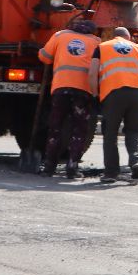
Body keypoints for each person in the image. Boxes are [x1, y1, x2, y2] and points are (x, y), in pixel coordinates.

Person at [38, 12, 101, 179]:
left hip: (60, 88)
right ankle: (72, 167)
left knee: (55, 128)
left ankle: (49, 167)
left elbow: (44, 57)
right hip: (83, 91)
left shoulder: (60, 35)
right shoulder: (96, 42)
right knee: (79, 129)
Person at [98, 27, 138, 181]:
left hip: (112, 94)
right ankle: (135, 162)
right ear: (128, 37)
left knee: (110, 134)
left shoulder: (102, 47)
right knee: (134, 131)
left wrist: (95, 94)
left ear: (114, 36)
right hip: (137, 95)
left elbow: (92, 72)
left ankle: (111, 173)